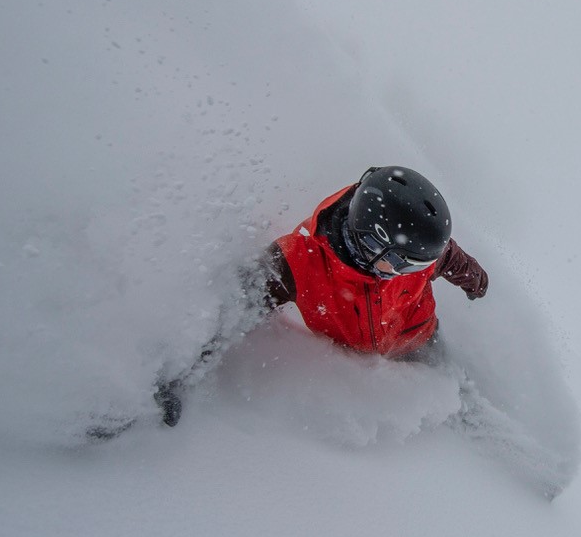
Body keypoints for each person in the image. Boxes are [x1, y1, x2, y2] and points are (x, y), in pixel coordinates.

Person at [154, 165, 489, 425]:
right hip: (353, 354)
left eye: (422, 264)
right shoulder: (296, 262)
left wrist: (475, 280)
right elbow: (229, 311)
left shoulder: (412, 249)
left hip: (418, 336)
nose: (415, 272)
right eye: (404, 266)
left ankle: (474, 419)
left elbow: (447, 258)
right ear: (370, 243)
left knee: (452, 385)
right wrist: (182, 375)